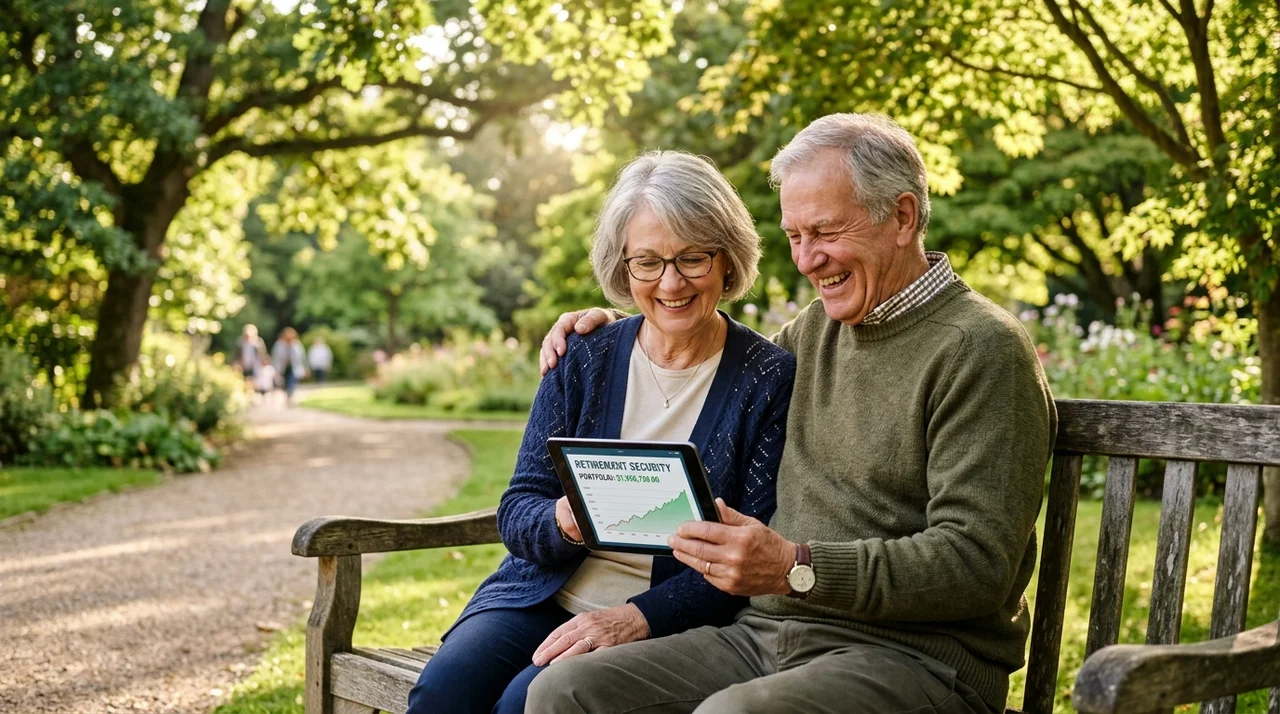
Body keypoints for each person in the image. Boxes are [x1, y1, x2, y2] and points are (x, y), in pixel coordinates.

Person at [529, 114, 1057, 714]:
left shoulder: (981, 349)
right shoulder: (818, 328)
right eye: (794, 236)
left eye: (825, 230)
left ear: (903, 217)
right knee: (565, 692)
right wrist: (622, 330)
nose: (807, 260)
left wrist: (794, 568)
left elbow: (976, 563)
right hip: (768, 637)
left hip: (916, 659)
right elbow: (716, 359)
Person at [404, 151, 796, 714]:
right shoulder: (584, 355)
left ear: (727, 260)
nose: (671, 282)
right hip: (537, 594)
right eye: (648, 262)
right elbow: (517, 510)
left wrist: (635, 618)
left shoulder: (766, 379)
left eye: (692, 258)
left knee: (522, 704)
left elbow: (745, 560)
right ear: (623, 267)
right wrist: (564, 520)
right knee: (443, 692)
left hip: (658, 618)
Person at [271, 327, 307, 406]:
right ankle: (288, 396)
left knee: (292, 382)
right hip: (282, 367)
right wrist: (275, 369)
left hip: (293, 367)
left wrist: (305, 368)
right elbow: (275, 357)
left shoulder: (297, 345)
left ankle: (289, 397)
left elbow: (302, 357)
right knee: (285, 383)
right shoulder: (279, 345)